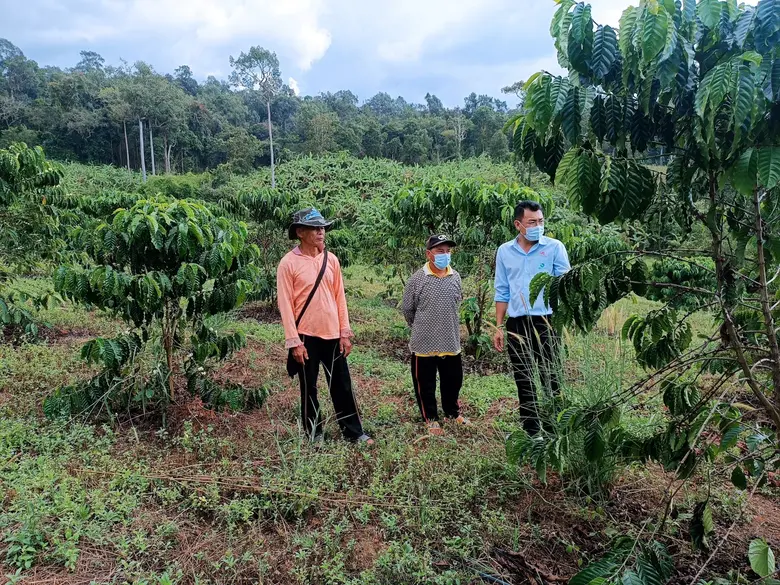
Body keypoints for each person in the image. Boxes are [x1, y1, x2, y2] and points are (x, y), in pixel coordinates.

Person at [277, 207, 373, 445]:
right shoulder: (288, 264)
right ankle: (314, 434)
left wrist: (345, 332)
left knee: (342, 386)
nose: (321, 232)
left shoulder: (331, 260)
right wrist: (294, 342)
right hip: (305, 337)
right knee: (309, 389)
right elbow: (285, 306)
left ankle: (353, 432)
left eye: (322, 228)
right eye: (315, 228)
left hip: (332, 335)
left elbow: (340, 297)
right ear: (300, 232)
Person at [493, 201, 571, 435]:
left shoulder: (555, 248)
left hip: (546, 321)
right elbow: (502, 290)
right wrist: (498, 327)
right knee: (523, 378)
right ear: (518, 224)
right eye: (532, 222)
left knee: (551, 376)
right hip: (517, 323)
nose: (538, 226)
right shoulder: (505, 251)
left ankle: (553, 429)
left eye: (541, 221)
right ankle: (531, 431)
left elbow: (566, 284)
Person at [402, 234, 469, 435]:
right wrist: (421, 327)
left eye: (448, 251)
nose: (445, 255)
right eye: (440, 251)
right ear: (428, 254)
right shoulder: (417, 279)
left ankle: (452, 412)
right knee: (425, 383)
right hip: (424, 342)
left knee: (453, 379)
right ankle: (430, 418)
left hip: (450, 340)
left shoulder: (455, 276)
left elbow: (456, 304)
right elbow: (408, 309)